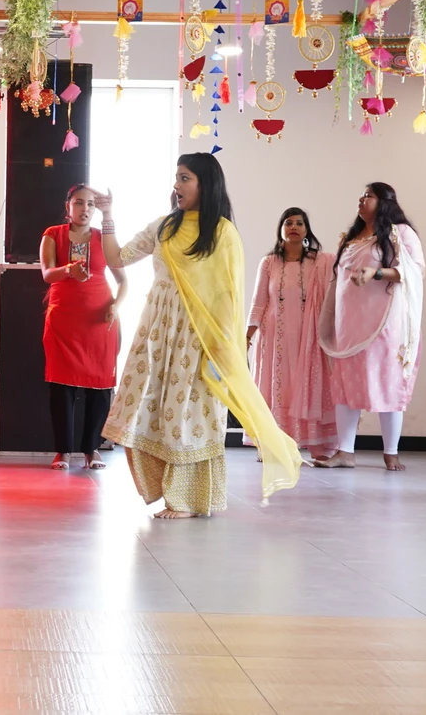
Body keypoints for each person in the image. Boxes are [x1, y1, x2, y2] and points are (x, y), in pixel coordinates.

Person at [96, 153, 301, 518]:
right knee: (147, 408)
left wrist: (223, 350)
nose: (176, 185)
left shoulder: (222, 233)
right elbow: (118, 259)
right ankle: (164, 489)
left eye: (185, 178)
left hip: (197, 336)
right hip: (157, 332)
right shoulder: (163, 227)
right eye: (176, 178)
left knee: (187, 412)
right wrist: (108, 216)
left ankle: (188, 499)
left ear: (205, 184)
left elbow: (228, 297)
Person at [317, 183, 425, 471]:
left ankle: (391, 452)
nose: (361, 199)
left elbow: (415, 271)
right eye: (361, 195)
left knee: (388, 383)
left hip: (385, 325)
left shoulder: (400, 233)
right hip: (349, 325)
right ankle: (345, 452)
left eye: (369, 196)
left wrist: (376, 273)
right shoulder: (352, 237)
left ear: (385, 202)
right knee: (344, 385)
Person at [40, 185, 128, 470]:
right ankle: (62, 451)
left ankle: (91, 449)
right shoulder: (53, 234)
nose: (85, 209)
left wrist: (115, 305)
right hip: (63, 319)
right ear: (68, 205)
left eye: (91, 204)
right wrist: (68, 270)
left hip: (99, 321)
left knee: (100, 387)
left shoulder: (105, 238)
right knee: (60, 386)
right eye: (79, 203)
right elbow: (47, 273)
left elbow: (123, 281)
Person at [246, 208, 338, 458]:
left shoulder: (321, 262)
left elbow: (341, 281)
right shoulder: (269, 263)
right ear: (281, 229)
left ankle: (318, 444)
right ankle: (274, 445)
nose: (294, 227)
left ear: (307, 230)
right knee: (277, 387)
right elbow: (259, 302)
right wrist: (247, 336)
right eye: (288, 223)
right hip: (275, 337)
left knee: (307, 384)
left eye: (299, 223)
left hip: (309, 338)